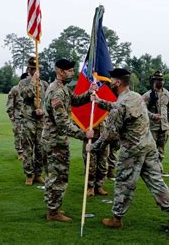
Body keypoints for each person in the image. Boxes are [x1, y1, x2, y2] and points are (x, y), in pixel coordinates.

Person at [88, 68, 169, 232]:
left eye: (111, 81)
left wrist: (93, 148)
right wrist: (99, 101)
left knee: (123, 184)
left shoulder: (121, 105)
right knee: (157, 182)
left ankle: (117, 218)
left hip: (132, 150)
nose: (109, 83)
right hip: (149, 146)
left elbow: (109, 135)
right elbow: (119, 107)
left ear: (117, 82)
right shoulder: (136, 97)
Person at [42, 58, 96, 222]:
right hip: (55, 141)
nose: (73, 72)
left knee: (55, 175)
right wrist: (84, 134)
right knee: (58, 176)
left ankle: (53, 206)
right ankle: (53, 212)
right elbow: (63, 123)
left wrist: (89, 93)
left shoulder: (63, 88)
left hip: (55, 139)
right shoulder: (57, 92)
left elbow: (76, 100)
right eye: (70, 70)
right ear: (60, 71)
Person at [18, 57, 48, 185]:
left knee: (40, 149)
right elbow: (26, 95)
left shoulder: (45, 84)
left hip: (40, 121)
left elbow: (47, 102)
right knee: (28, 149)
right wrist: (33, 81)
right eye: (31, 69)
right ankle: (29, 174)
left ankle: (38, 174)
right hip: (28, 119)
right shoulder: (23, 83)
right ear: (28, 69)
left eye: (35, 69)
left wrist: (43, 111)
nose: (33, 71)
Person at [142, 71, 169, 177]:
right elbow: (142, 109)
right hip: (152, 127)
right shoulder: (147, 95)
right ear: (153, 81)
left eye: (161, 80)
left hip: (164, 127)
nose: (160, 82)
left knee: (161, 150)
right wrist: (152, 115)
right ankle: (154, 170)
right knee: (152, 150)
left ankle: (158, 168)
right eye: (157, 80)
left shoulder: (167, 94)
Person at [82, 121, 109, 197]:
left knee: (103, 165)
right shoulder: (88, 109)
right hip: (91, 139)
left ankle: (99, 186)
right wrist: (85, 133)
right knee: (90, 166)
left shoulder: (106, 110)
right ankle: (90, 187)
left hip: (104, 140)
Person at [6, 72, 29, 160]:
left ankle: (28, 151)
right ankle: (20, 152)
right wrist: (11, 115)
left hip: (29, 117)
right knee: (18, 135)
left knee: (28, 135)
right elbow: (10, 104)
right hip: (18, 117)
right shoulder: (15, 89)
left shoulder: (31, 89)